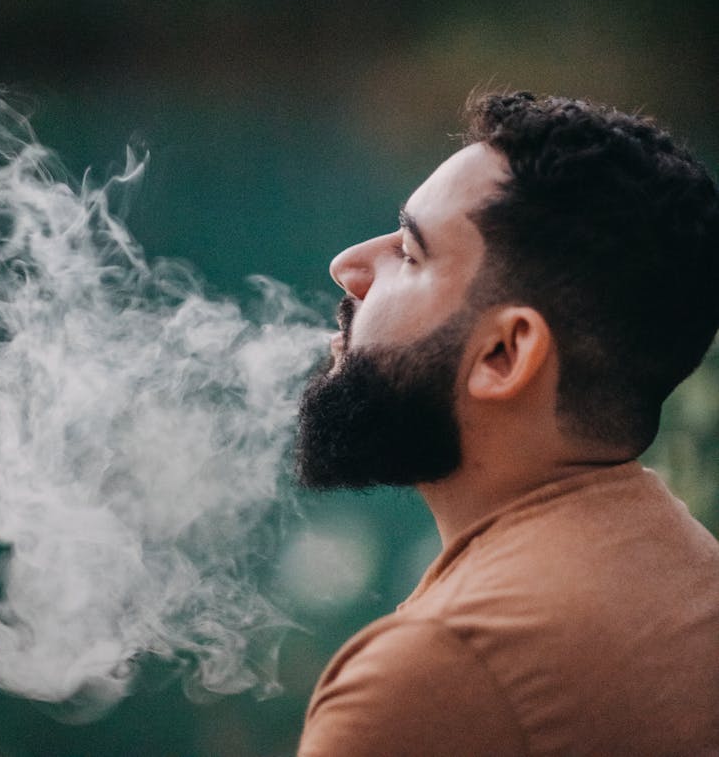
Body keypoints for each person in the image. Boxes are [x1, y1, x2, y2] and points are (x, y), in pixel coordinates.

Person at [294, 92, 719, 757]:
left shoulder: (428, 677)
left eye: (410, 251)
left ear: (503, 354)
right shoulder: (695, 571)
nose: (348, 266)